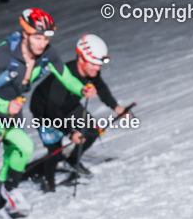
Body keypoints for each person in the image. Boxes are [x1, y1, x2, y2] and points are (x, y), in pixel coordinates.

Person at [0, 9, 94, 216]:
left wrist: (81, 89)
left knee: (13, 152)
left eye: (46, 39)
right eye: (37, 38)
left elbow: (66, 76)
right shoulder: (2, 55)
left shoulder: (47, 54)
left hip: (14, 104)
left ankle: (1, 199)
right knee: (24, 146)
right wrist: (3, 106)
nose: (41, 43)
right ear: (25, 35)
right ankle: (11, 188)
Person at [29, 34, 130, 191]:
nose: (98, 68)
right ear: (81, 59)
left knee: (92, 131)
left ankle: (72, 160)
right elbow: (52, 111)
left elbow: (100, 87)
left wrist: (116, 107)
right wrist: (69, 133)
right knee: (55, 150)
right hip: (45, 111)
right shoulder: (63, 77)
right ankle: (48, 182)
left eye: (100, 64)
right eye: (94, 64)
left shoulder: (92, 72)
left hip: (69, 105)